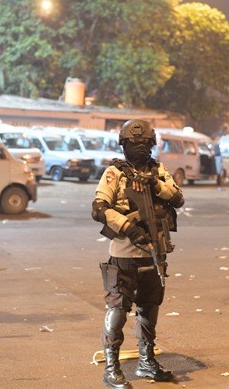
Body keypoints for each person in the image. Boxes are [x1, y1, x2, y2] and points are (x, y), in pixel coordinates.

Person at [91, 119, 185, 388]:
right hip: (124, 253)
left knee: (149, 308)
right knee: (118, 310)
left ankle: (146, 361)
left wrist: (156, 184)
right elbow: (98, 208)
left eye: (144, 143)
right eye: (134, 144)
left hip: (154, 253)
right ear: (124, 145)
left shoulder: (159, 171)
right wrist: (129, 228)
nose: (140, 148)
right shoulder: (115, 172)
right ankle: (112, 368)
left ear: (152, 145)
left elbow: (177, 198)